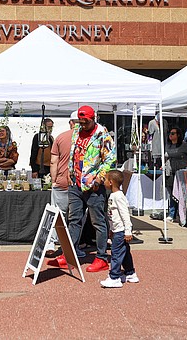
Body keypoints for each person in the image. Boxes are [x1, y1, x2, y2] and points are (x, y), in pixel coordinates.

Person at [60, 105, 116, 273]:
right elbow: (74, 153)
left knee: (98, 221)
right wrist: (70, 172)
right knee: (74, 219)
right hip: (76, 183)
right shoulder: (77, 131)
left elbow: (110, 159)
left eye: (86, 122)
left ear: (93, 119)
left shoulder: (102, 134)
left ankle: (101, 257)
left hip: (93, 186)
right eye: (80, 122)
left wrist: (99, 178)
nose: (83, 125)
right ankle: (69, 254)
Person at [46, 111, 77, 260]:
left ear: (71, 122)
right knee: (76, 218)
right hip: (79, 183)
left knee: (57, 215)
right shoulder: (88, 138)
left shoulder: (60, 137)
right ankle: (71, 247)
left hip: (62, 181)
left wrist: (53, 180)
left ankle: (51, 244)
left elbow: (54, 161)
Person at [100, 170, 138, 288]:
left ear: (111, 182)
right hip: (116, 230)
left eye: (105, 179)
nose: (104, 182)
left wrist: (128, 231)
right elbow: (113, 216)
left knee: (116, 253)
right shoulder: (113, 195)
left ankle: (114, 277)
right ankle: (130, 273)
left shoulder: (119, 196)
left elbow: (125, 214)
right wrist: (111, 229)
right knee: (125, 252)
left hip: (121, 231)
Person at [164, 127, 187, 222]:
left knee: (180, 193)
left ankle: (176, 213)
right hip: (170, 172)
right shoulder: (168, 146)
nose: (170, 135)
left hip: (181, 173)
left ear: (178, 135)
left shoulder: (183, 145)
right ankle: (172, 212)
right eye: (170, 133)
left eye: (173, 133)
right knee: (171, 193)